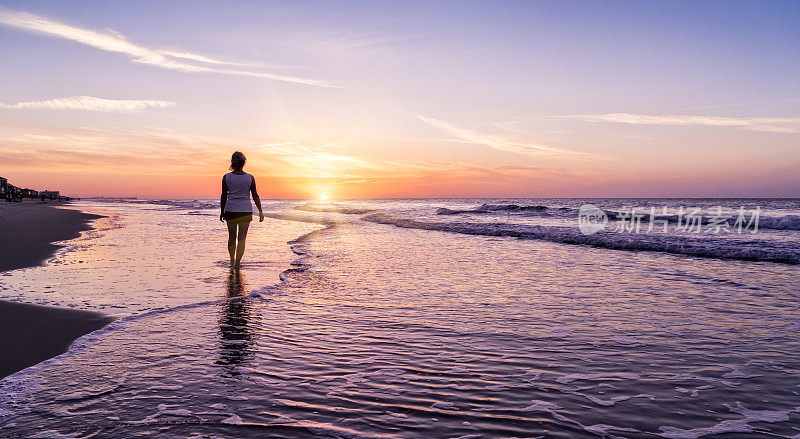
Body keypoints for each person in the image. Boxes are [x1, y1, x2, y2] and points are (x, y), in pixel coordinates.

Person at [220, 151, 264, 269]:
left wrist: (222, 211)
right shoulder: (250, 177)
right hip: (245, 210)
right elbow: (255, 195)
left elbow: (224, 196)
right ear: (244, 162)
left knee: (232, 237)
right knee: (242, 239)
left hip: (230, 209)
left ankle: (232, 260)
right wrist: (260, 211)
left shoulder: (226, 177)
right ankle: (237, 263)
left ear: (232, 162)